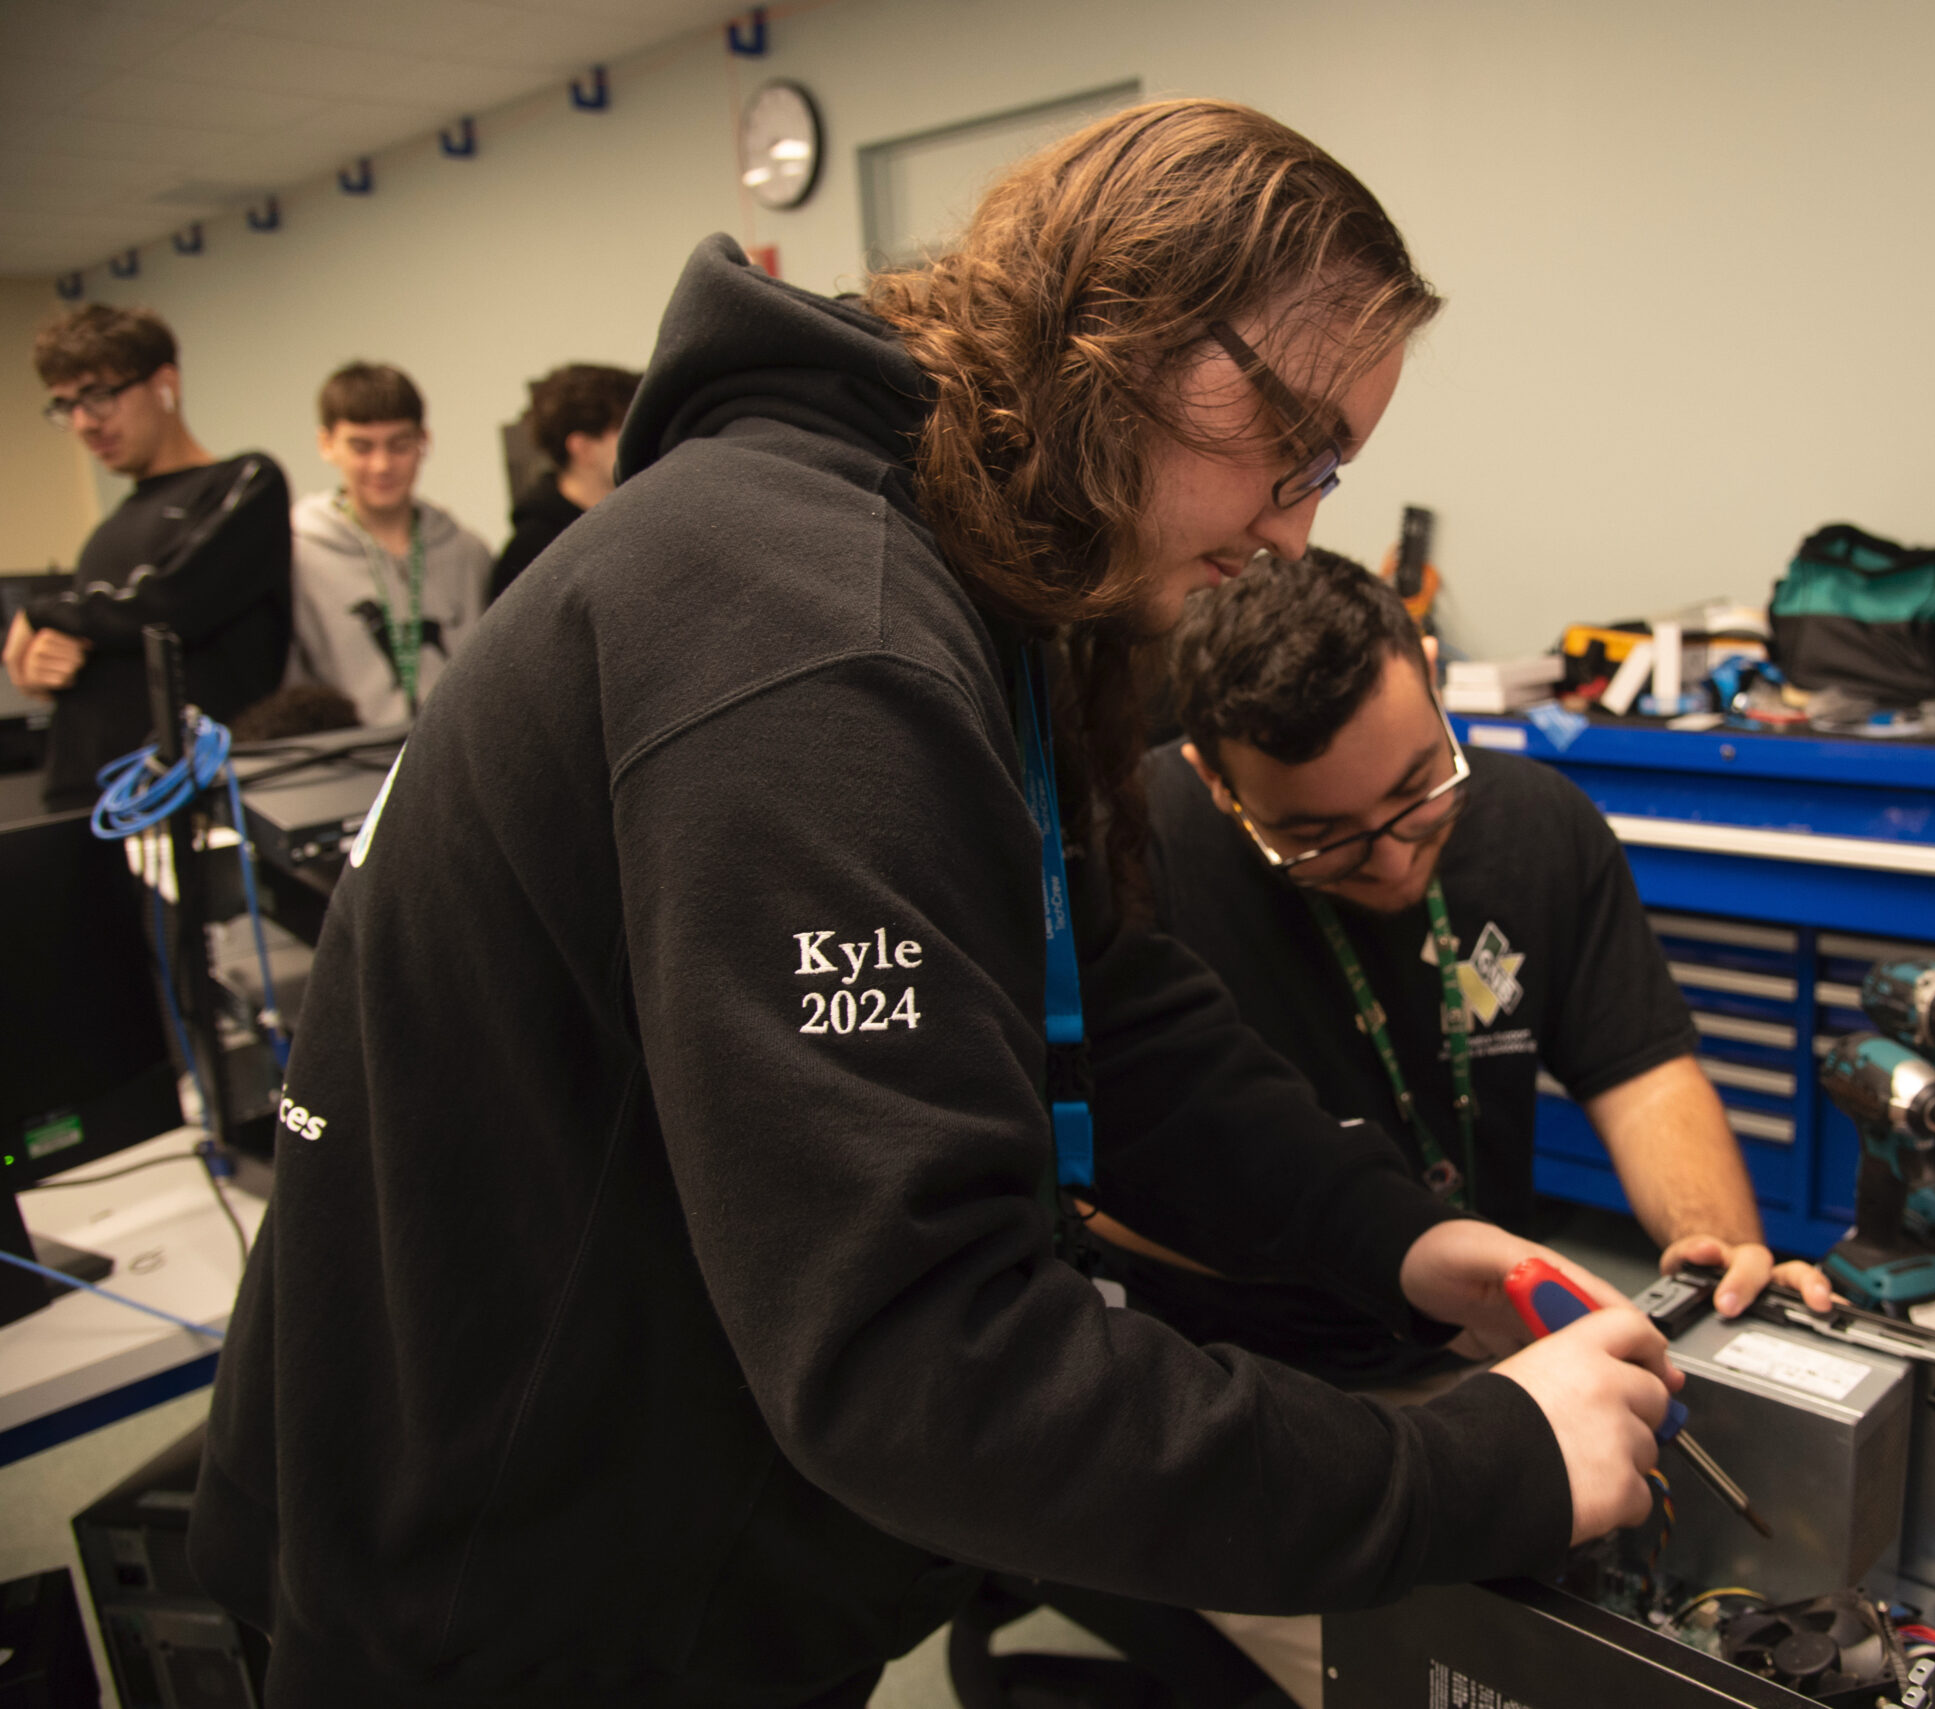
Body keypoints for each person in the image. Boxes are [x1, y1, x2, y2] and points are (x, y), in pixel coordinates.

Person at [192, 100, 1680, 1707]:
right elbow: (924, 1362)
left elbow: (1100, 997)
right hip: (517, 1608)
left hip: (645, 1527)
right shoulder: (822, 633)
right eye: (1296, 449)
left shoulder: (971, 575)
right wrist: (1470, 1470)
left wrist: (1396, 1239)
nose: (1292, 528)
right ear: (1122, 342)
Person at [1124, 548, 1834, 1386]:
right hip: (1226, 1376)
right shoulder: (1131, 852)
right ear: (1214, 775)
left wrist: (1716, 1248)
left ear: (1430, 673)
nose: (1391, 862)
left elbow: (1644, 1078)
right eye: (1319, 838)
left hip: (1483, 1346)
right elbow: (1092, 1178)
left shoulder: (1541, 825)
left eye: (1419, 790)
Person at [6, 304, 290, 809]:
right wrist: (46, 662)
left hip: (198, 804)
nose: (83, 424)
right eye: (66, 406)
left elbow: (173, 603)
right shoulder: (106, 533)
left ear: (166, 383)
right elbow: (102, 636)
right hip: (93, 804)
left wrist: (42, 612)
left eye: (98, 396)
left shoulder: (243, 483)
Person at [287, 362, 489, 726]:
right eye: (361, 447)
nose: (382, 465)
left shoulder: (468, 552)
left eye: (400, 445)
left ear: (424, 442)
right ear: (326, 444)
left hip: (456, 760)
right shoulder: (296, 555)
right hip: (350, 765)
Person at [485, 361, 639, 602]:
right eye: (624, 429)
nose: (639, 439)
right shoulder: (530, 553)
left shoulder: (638, 517)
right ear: (583, 448)